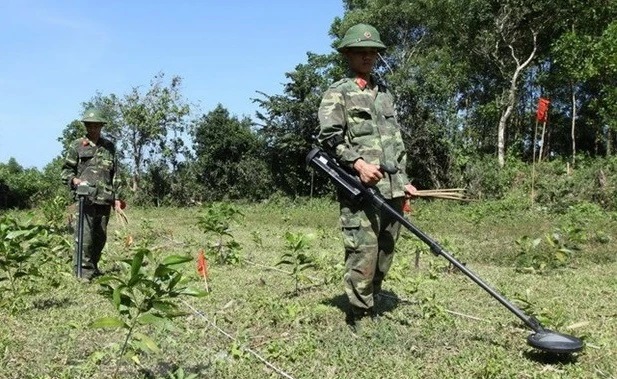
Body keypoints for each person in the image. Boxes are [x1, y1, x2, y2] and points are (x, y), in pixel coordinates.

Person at [317, 23, 418, 331]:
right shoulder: (337, 93)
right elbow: (329, 138)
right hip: (360, 189)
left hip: (393, 188)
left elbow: (396, 141)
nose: (368, 56)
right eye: (361, 51)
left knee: (386, 250)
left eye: (373, 51)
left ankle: (373, 297)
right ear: (347, 54)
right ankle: (361, 314)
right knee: (364, 250)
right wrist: (358, 164)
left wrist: (404, 180)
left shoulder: (385, 93)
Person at [61, 108, 123, 280]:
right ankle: (83, 272)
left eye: (96, 125)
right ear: (85, 126)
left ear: (102, 126)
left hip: (105, 197)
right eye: (89, 125)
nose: (93, 128)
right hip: (85, 198)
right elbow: (66, 171)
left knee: (100, 236)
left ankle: (93, 267)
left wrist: (117, 198)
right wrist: (74, 180)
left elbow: (115, 173)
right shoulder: (77, 146)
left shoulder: (109, 147)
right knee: (84, 236)